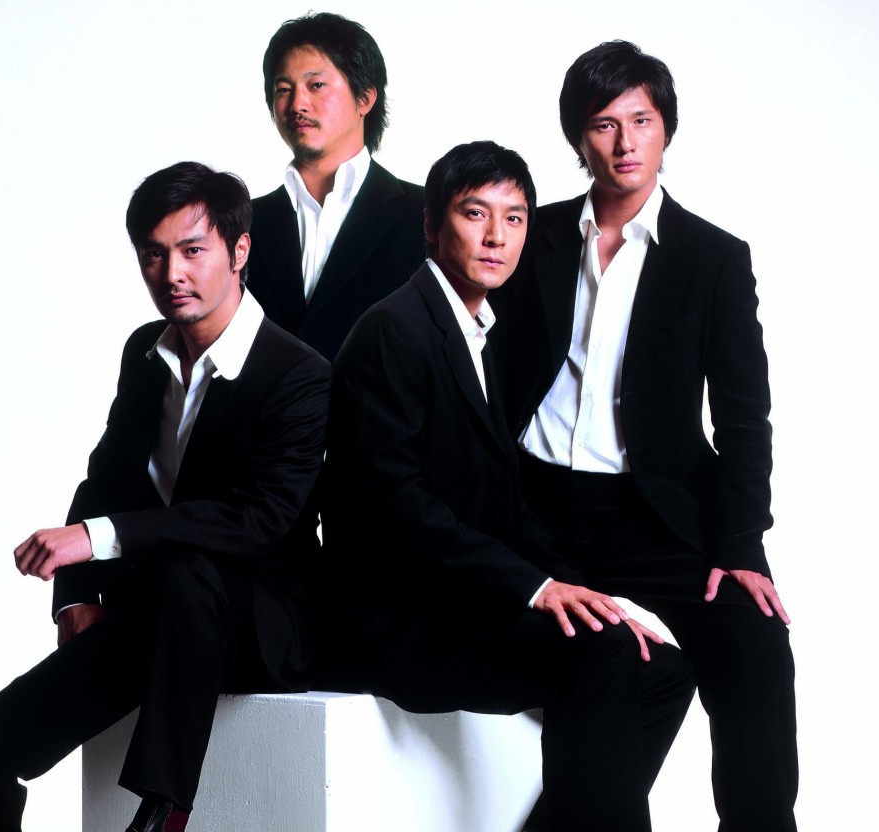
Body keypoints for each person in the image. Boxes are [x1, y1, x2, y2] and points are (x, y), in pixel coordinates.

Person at [0, 162, 331, 832]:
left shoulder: (298, 373)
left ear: (239, 251)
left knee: (190, 569)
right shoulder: (145, 353)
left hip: (256, 627)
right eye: (153, 254)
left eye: (192, 251)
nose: (171, 273)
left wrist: (98, 538)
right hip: (154, 621)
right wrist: (75, 595)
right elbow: (105, 481)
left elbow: (258, 521)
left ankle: (162, 812)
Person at [321, 141, 695, 831]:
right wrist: (535, 588)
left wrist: (593, 595)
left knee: (664, 668)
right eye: (475, 214)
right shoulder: (393, 330)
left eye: (515, 218)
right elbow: (397, 504)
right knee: (604, 654)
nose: (497, 236)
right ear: (432, 224)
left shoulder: (477, 333)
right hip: (405, 621)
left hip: (463, 603)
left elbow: (502, 494)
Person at [493, 41, 798, 830]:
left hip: (658, 516)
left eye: (642, 120)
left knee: (756, 646)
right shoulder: (533, 236)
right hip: (539, 512)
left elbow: (745, 414)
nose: (625, 142)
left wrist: (739, 543)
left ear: (666, 129)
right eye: (605, 124)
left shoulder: (713, 258)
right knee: (611, 668)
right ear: (579, 137)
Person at [247, 11, 425, 362]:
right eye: (284, 89)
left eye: (316, 85)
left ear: (365, 98)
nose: (297, 104)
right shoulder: (241, 221)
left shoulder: (426, 215)